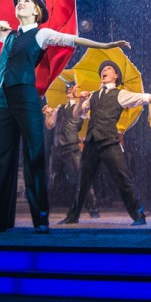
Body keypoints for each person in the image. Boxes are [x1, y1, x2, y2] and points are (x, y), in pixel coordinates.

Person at [0, 0, 130, 234]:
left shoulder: (41, 34)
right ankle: (0, 217)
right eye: (19, 2)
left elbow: (73, 40)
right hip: (4, 98)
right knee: (5, 159)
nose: (21, 4)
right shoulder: (9, 35)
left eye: (27, 1)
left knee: (34, 156)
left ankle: (40, 218)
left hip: (26, 96)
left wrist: (105, 45)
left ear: (37, 11)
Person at [58, 61, 151, 226]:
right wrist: (80, 101)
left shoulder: (120, 94)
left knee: (123, 179)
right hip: (91, 143)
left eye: (108, 68)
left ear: (115, 76)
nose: (104, 70)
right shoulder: (93, 95)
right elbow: (77, 114)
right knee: (82, 181)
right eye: (103, 69)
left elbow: (145, 98)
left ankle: (139, 215)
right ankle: (73, 216)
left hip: (109, 142)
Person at [45, 83, 99, 219]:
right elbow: (50, 125)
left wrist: (80, 99)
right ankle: (45, 210)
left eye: (72, 87)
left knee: (81, 178)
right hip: (57, 148)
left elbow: (79, 112)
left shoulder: (82, 106)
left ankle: (92, 208)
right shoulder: (59, 108)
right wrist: (48, 115)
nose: (70, 89)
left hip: (72, 148)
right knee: (52, 181)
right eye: (68, 88)